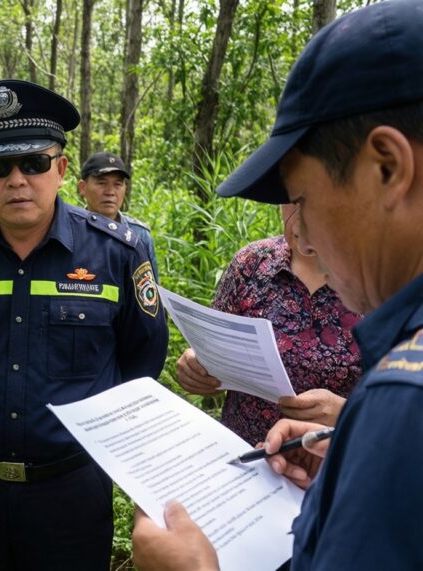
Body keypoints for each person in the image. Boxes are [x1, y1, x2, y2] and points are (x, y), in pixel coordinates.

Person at [132, 1, 423, 569]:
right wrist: (349, 458)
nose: (302, 230)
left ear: (387, 167)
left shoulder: (403, 402)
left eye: (305, 200)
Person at [0, 79, 168, 569]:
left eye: (33, 163)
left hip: (72, 491)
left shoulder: (117, 254)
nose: (17, 179)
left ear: (62, 168)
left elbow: (142, 360)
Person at [175, 203, 362, 443]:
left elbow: (405, 404)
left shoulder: (375, 281)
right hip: (244, 453)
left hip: (331, 463)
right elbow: (214, 350)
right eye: (291, 200)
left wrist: (346, 413)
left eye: (310, 199)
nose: (298, 219)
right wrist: (197, 368)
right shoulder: (252, 264)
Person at [77, 151, 159, 279]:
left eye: (117, 184)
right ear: (83, 188)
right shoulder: (71, 231)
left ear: (125, 188)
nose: (110, 192)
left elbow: (152, 293)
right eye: (101, 183)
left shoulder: (139, 235)